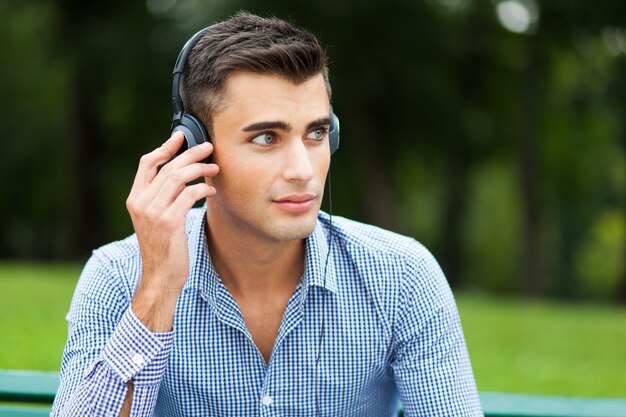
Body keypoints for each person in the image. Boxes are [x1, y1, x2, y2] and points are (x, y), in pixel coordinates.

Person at [51, 11, 482, 417]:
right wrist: (157, 292)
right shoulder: (119, 275)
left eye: (316, 133)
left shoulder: (402, 277)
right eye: (266, 138)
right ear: (193, 149)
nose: (302, 170)